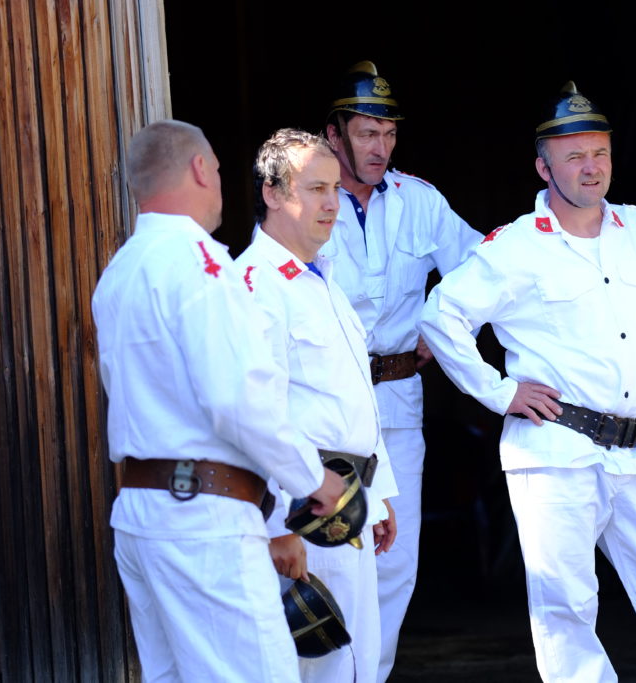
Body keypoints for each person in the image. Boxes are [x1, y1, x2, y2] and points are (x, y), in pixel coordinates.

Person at [418, 83, 636, 682]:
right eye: (574, 157)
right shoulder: (517, 246)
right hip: (556, 451)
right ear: (544, 168)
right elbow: (441, 316)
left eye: (600, 153)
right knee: (567, 607)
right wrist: (500, 392)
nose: (591, 168)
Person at [91, 119, 344, 682]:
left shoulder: (120, 270)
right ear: (201, 169)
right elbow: (236, 399)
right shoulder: (199, 263)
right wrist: (311, 477)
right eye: (220, 170)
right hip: (203, 518)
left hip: (142, 514)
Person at [320, 61, 483, 679]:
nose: (380, 148)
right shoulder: (306, 199)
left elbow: (484, 271)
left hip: (396, 399)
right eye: (367, 133)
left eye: (388, 135)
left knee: (394, 561)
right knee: (330, 556)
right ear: (334, 134)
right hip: (327, 406)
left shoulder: (420, 200)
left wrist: (443, 328)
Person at [236, 128, 400, 682]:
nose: (332, 204)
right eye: (315, 189)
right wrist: (277, 526)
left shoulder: (323, 278)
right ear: (273, 192)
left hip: (350, 501)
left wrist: (380, 493)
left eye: (335, 189)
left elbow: (353, 395)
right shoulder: (257, 285)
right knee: (319, 670)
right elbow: (253, 413)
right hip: (304, 512)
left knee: (356, 664)